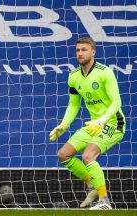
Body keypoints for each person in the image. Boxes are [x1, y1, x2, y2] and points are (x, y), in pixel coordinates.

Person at [49, 37, 125, 210]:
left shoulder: (105, 72)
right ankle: (93, 186)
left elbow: (116, 103)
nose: (80, 53)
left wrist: (102, 120)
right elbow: (73, 104)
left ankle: (104, 201)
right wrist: (64, 125)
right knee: (63, 154)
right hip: (93, 125)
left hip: (113, 123)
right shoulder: (74, 76)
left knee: (88, 156)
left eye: (84, 50)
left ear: (93, 52)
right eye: (78, 50)